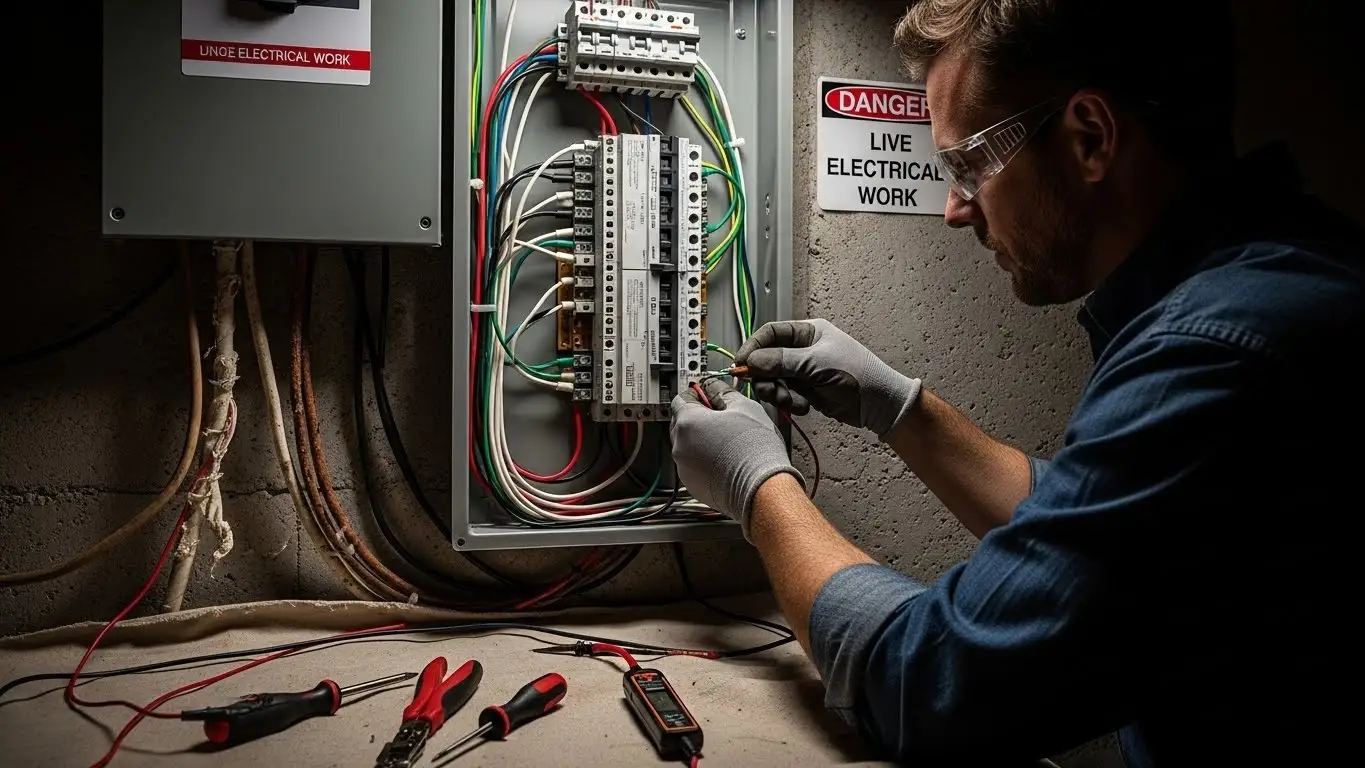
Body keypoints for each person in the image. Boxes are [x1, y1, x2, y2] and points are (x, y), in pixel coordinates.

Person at [669, 0, 1364, 765]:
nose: (955, 209)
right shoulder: (1283, 278)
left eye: (968, 164)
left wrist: (757, 484)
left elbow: (933, 686)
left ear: (1090, 138)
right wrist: (897, 407)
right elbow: (1100, 531)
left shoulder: (1215, 354)